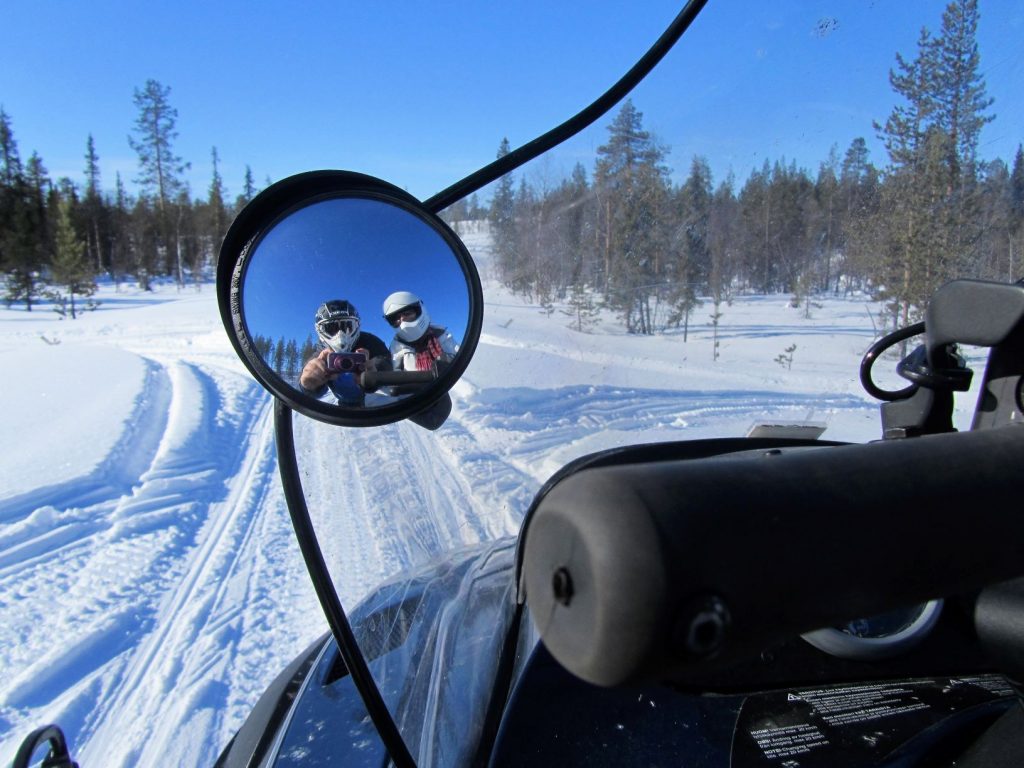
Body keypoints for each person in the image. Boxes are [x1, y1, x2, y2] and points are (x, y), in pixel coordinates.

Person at [299, 299, 391, 406]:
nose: (340, 335)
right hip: (343, 399)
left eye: (347, 326)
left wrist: (375, 371)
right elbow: (308, 375)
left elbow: (385, 360)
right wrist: (308, 384)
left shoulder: (370, 341)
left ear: (357, 326)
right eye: (331, 328)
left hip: (372, 399)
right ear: (320, 330)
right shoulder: (322, 354)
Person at [382, 291, 458, 373]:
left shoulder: (440, 334)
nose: (402, 321)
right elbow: (393, 377)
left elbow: (461, 357)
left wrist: (447, 361)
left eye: (407, 313)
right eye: (395, 319)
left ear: (419, 309)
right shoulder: (396, 346)